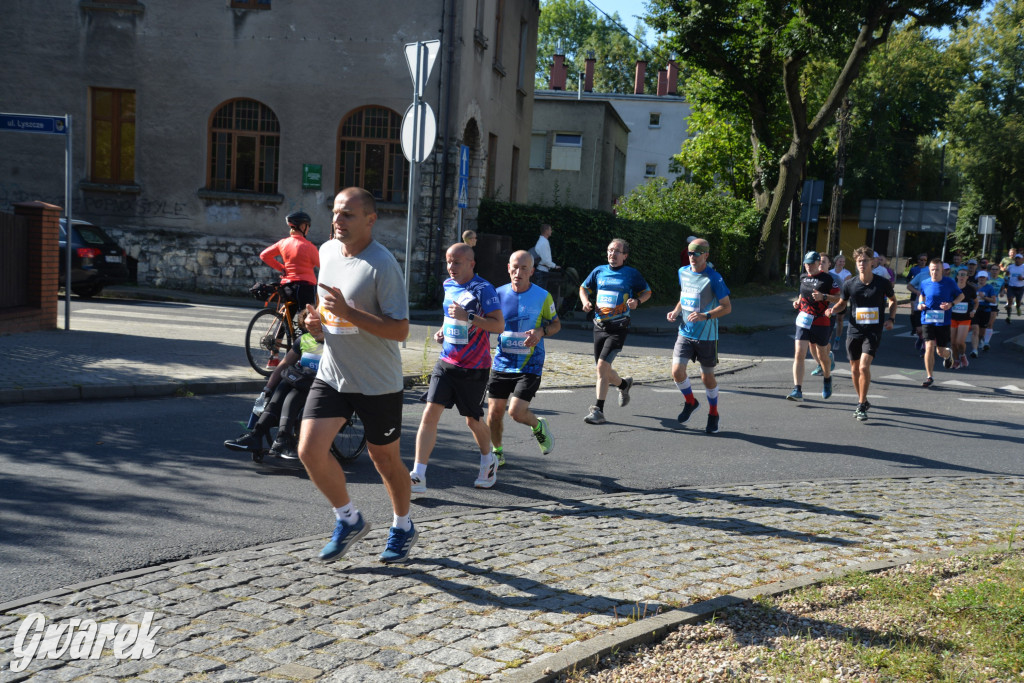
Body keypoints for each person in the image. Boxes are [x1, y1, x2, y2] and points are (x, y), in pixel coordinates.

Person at [296, 187, 415, 565]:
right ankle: (348, 519)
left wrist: (350, 313)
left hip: (377, 381)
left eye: (347, 214)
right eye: (335, 212)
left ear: (370, 220)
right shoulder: (328, 251)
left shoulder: (382, 265)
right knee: (309, 450)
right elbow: (325, 310)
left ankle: (403, 526)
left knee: (385, 460)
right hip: (333, 372)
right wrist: (315, 323)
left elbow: (400, 330)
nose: (338, 220)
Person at [411, 243, 504, 493]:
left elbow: (498, 325)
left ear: (471, 264)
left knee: (472, 421)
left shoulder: (484, 289)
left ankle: (488, 461)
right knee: (429, 413)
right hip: (447, 362)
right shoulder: (448, 285)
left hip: (474, 366)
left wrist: (469, 317)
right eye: (448, 261)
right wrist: (444, 331)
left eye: (457, 262)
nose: (451, 267)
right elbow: (450, 315)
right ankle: (418, 474)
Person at [486, 250, 560, 467]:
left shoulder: (543, 296)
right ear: (508, 268)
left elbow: (556, 324)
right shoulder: (497, 294)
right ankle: (497, 452)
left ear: (532, 271)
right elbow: (486, 323)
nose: (518, 272)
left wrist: (541, 332)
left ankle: (538, 426)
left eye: (524, 268)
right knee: (494, 413)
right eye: (515, 267)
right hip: (502, 362)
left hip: (530, 363)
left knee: (516, 412)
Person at [225, 306, 325, 459]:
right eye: (308, 325)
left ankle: (283, 438)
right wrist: (267, 388)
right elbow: (284, 364)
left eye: (314, 325)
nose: (311, 328)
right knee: (279, 391)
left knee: (293, 396)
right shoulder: (303, 340)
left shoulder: (334, 342)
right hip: (300, 379)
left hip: (319, 384)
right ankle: (256, 435)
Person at [579, 238, 652, 425]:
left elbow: (647, 292)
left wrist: (637, 302)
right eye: (610, 250)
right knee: (603, 369)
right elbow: (583, 288)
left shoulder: (631, 274)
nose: (612, 254)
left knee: (602, 367)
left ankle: (598, 411)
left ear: (624, 256)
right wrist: (585, 302)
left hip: (618, 327)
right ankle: (624, 384)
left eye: (617, 251)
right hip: (599, 326)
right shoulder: (599, 271)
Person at [667, 238, 731, 434]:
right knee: (677, 372)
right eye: (689, 253)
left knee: (707, 378)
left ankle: (713, 413)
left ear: (706, 255)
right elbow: (684, 295)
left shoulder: (713, 278)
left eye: (696, 253)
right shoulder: (683, 272)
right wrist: (676, 311)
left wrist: (706, 315)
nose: (692, 256)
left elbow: (727, 307)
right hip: (685, 332)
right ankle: (691, 402)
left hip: (707, 336)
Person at [826, 245, 897, 421]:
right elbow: (842, 303)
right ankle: (863, 400)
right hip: (854, 330)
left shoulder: (882, 283)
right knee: (854, 369)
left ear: (872, 262)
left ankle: (860, 405)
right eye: (859, 261)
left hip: (873, 331)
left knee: (864, 367)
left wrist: (891, 319)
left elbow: (893, 300)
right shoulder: (850, 284)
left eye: (865, 261)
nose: (861, 264)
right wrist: (833, 310)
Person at [788, 252, 839, 401]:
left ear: (818, 264)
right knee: (799, 354)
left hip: (821, 321)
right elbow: (802, 294)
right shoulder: (803, 277)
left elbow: (839, 298)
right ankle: (797, 390)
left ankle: (827, 378)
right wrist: (797, 302)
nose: (808, 267)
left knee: (822, 355)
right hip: (803, 320)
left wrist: (824, 297)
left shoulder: (827, 279)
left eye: (811, 264)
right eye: (806, 264)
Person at [260, 211, 320, 326]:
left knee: (286, 318)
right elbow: (322, 265)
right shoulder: (310, 247)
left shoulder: (283, 243)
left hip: (287, 287)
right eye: (308, 226)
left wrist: (282, 268)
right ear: (303, 226)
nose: (308, 229)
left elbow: (264, 255)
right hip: (305, 287)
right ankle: (303, 337)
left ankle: (278, 337)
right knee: (307, 320)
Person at [917, 257, 964, 387]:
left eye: (937, 270)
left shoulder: (949, 282)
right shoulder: (925, 283)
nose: (934, 272)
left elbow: (961, 296)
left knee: (940, 351)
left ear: (942, 270)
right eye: (932, 269)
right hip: (927, 318)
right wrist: (920, 303)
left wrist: (951, 304)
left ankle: (948, 354)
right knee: (929, 346)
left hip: (943, 321)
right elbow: (922, 295)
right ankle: (929, 377)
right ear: (929, 269)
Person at [950, 268, 977, 369]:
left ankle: (962, 355)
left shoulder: (970, 289)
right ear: (957, 276)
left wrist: (974, 311)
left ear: (967, 277)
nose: (961, 277)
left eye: (964, 275)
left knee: (960, 342)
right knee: (953, 343)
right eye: (960, 275)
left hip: (965, 318)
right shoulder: (952, 288)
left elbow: (976, 302)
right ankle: (956, 360)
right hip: (952, 317)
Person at [829, 254, 851, 351]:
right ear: (836, 261)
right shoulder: (830, 272)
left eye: (843, 262)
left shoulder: (847, 273)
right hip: (832, 299)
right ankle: (828, 340)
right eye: (840, 261)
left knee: (839, 319)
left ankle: (837, 339)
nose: (842, 263)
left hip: (842, 299)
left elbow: (844, 287)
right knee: (829, 320)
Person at [975, 271, 999, 352]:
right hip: (975, 310)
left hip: (985, 310)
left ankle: (981, 340)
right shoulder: (974, 287)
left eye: (983, 278)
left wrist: (984, 297)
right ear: (977, 278)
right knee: (975, 328)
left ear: (986, 278)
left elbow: (993, 300)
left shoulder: (989, 287)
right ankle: (976, 347)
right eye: (980, 277)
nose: (981, 279)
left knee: (982, 331)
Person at [531, 224, 559, 289]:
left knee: (540, 291)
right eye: (550, 230)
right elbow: (545, 260)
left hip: (542, 271)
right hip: (542, 271)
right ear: (546, 231)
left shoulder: (543, 241)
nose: (551, 231)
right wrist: (554, 266)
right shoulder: (543, 242)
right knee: (540, 292)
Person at [1005, 251, 1024, 323]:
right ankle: (1008, 317)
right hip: (1011, 286)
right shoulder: (1011, 266)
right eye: (1016, 258)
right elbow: (1007, 274)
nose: (1017, 260)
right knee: (1010, 301)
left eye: (1019, 259)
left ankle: (1018, 307)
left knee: (1018, 302)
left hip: (1020, 287)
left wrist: (1022, 278)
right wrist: (1005, 280)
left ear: (1022, 259)